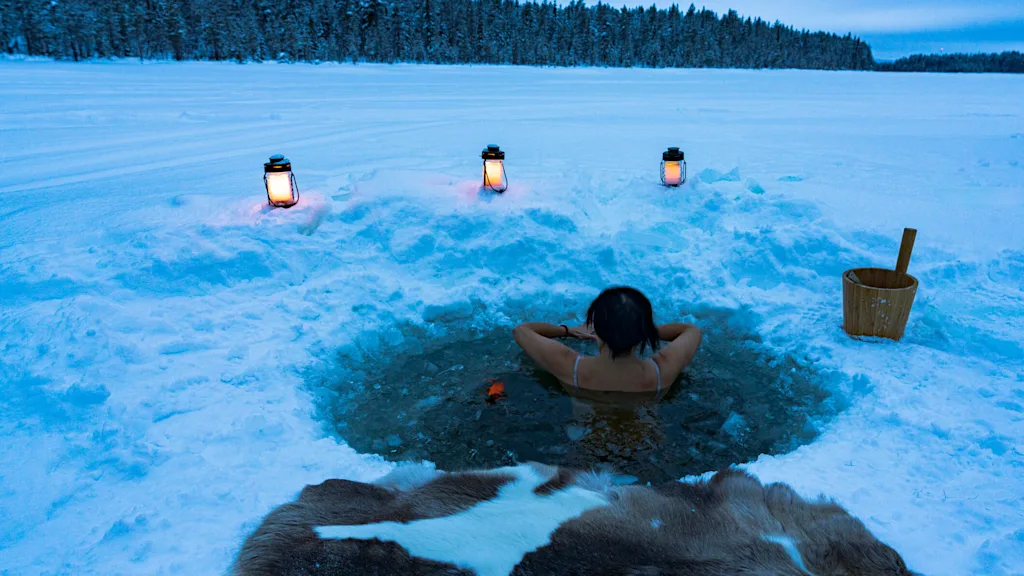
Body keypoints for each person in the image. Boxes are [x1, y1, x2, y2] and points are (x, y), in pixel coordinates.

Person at [512, 287, 702, 396]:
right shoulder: (662, 371)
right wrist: (645, 331)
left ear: (597, 329)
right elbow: (692, 330)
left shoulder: (571, 368)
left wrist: (568, 331)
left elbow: (522, 331)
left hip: (588, 439)